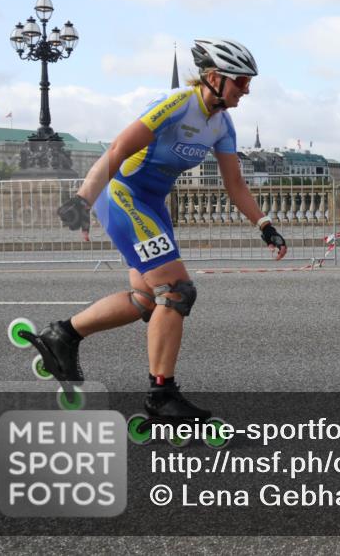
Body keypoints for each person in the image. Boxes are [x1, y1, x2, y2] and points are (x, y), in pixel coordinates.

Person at [41, 38, 287, 420]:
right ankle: (161, 395)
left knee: (146, 299)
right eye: (241, 81)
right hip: (123, 195)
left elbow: (235, 185)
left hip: (153, 205)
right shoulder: (177, 104)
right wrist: (83, 200)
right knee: (175, 292)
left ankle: (63, 336)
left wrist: (265, 225)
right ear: (213, 78)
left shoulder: (222, 124)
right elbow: (118, 149)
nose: (247, 89)